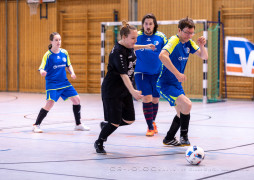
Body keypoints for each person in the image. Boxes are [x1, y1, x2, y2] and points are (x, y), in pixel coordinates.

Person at [94, 21, 155, 154]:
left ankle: (107, 125)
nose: (135, 40)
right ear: (124, 37)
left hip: (124, 89)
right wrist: (133, 91)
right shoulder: (117, 52)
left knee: (129, 119)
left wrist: (146, 46)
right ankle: (100, 141)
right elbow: (123, 75)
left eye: (136, 38)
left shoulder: (129, 46)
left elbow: (133, 47)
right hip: (112, 90)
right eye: (133, 38)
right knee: (115, 122)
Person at [157, 17, 208, 146]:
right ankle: (184, 136)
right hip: (165, 83)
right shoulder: (174, 40)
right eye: (186, 32)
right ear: (179, 30)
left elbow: (204, 56)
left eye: (191, 33)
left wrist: (202, 46)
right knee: (188, 105)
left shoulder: (189, 43)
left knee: (181, 112)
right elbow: (162, 55)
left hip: (176, 84)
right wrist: (177, 73)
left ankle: (168, 138)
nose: (189, 35)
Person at [32, 32, 90, 133]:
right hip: (52, 83)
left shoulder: (64, 52)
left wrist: (72, 73)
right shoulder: (48, 55)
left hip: (64, 82)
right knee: (49, 104)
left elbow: (68, 64)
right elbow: (41, 67)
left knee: (77, 99)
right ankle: (36, 125)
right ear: (51, 41)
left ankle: (78, 124)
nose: (58, 42)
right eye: (56, 40)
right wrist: (42, 72)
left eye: (59, 40)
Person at [135, 13, 167, 137]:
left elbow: (167, 51)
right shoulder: (137, 35)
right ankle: (149, 127)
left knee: (155, 99)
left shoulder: (161, 37)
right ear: (143, 25)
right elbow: (129, 46)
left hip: (157, 73)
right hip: (141, 73)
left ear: (154, 25)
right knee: (146, 98)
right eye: (146, 24)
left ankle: (152, 122)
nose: (148, 26)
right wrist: (145, 46)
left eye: (150, 24)